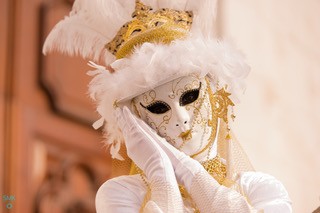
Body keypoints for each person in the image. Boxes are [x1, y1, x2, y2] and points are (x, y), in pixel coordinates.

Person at [43, 0, 292, 212]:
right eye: (159, 108)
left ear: (214, 97)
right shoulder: (120, 195)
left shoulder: (261, 189)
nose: (181, 117)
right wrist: (161, 176)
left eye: (190, 95)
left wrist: (189, 172)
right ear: (134, 120)